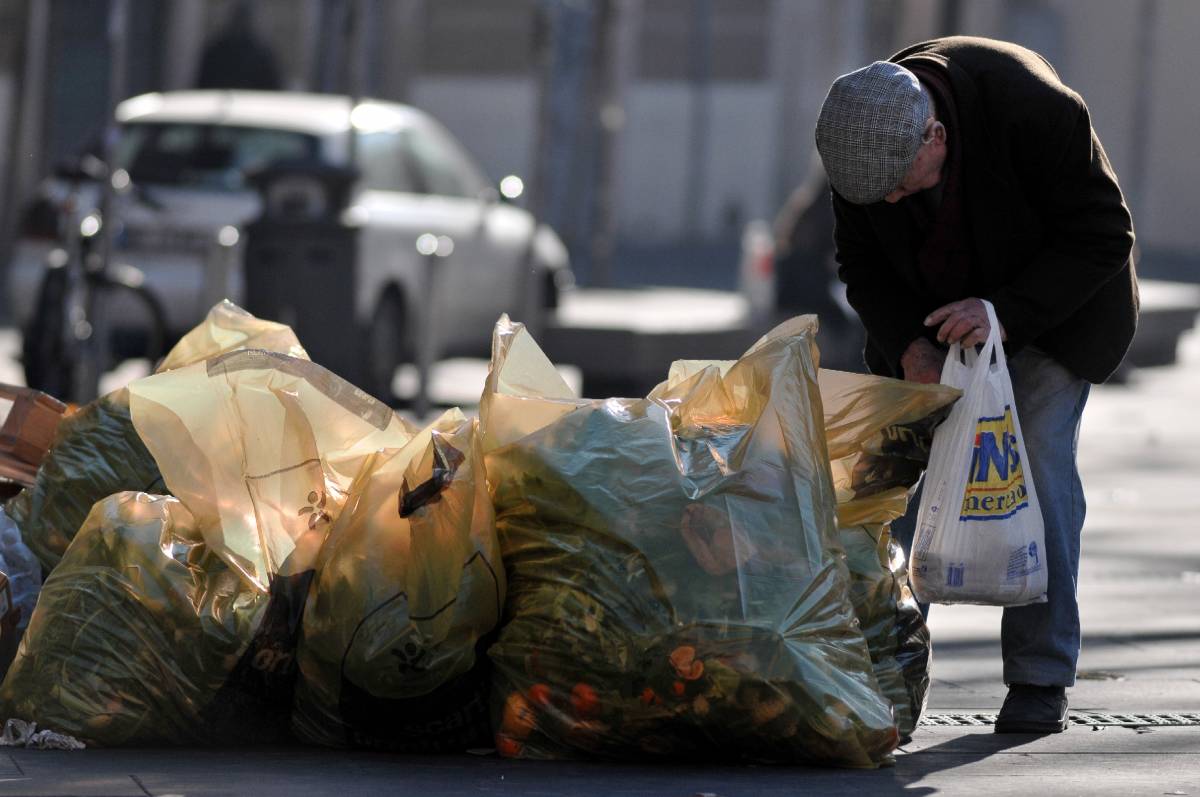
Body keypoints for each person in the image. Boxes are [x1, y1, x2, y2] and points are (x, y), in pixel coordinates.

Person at [813, 36, 1138, 735]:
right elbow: (861, 263)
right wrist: (909, 346)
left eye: (904, 183)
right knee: (894, 487)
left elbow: (1105, 235)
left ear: (936, 133)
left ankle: (1040, 677)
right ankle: (885, 671)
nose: (893, 199)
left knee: (1040, 468)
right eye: (882, 194)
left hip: (1052, 314)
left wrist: (1003, 314)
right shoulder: (859, 148)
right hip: (931, 325)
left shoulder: (1036, 111)